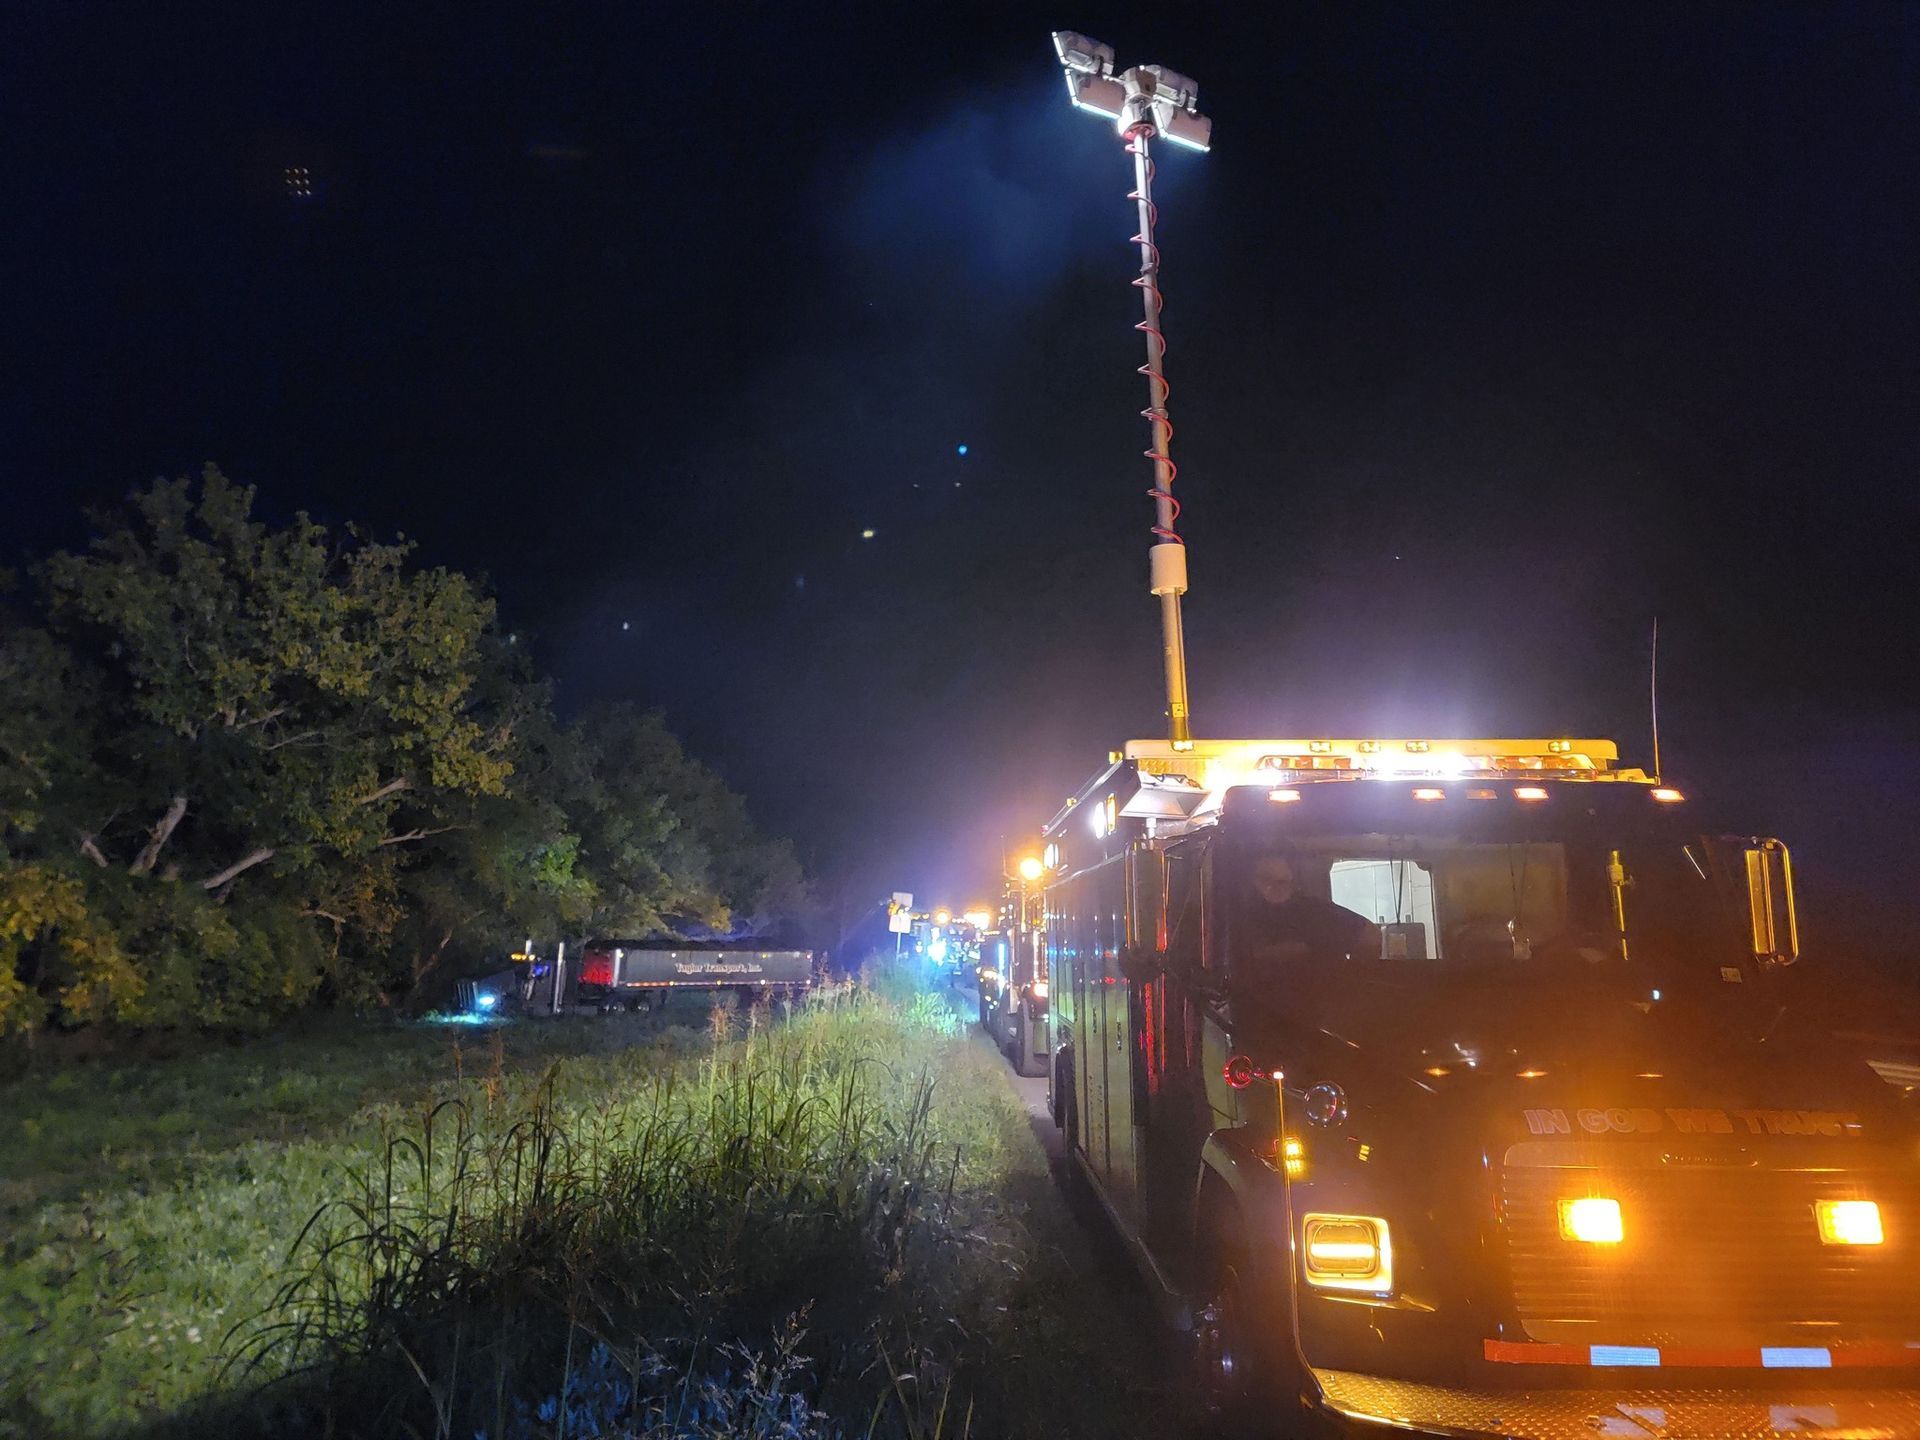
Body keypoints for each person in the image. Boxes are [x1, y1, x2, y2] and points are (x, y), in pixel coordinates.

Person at [1239, 852, 1377, 967]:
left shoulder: (1317, 913)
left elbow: (1371, 935)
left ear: (1293, 881)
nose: (1274, 887)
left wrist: (1353, 979)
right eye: (1266, 879)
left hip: (1324, 995)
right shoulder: (1234, 917)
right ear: (1251, 880)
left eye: (1283, 881)